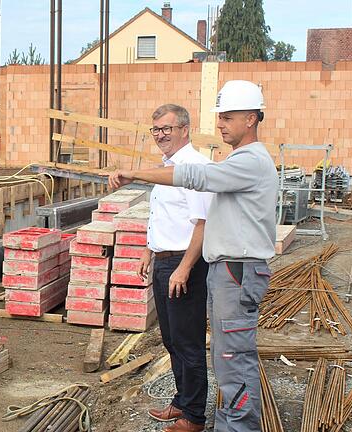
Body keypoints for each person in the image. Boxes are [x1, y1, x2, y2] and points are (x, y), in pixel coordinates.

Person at [109, 80, 277, 432]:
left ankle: (234, 426)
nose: (220, 124)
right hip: (229, 270)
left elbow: (197, 177)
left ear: (251, 118)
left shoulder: (249, 162)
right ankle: (223, 420)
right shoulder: (240, 160)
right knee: (224, 356)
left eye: (228, 117)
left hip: (238, 270)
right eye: (220, 117)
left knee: (233, 358)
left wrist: (133, 173)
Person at [142, 104, 213, 432]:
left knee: (188, 341)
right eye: (156, 130)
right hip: (165, 260)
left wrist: (184, 268)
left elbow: (202, 223)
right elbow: (162, 215)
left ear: (185, 129)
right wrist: (149, 251)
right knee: (171, 338)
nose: (160, 135)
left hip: (185, 263)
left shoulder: (196, 167)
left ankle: (194, 417)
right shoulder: (168, 167)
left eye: (166, 129)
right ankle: (182, 401)